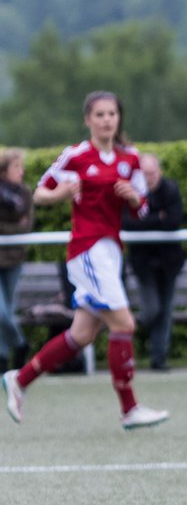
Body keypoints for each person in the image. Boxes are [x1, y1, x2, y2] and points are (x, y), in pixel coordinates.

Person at [2, 91, 169, 430]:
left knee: (81, 334)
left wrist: (134, 199)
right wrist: (62, 193)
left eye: (112, 114)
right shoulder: (76, 156)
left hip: (110, 252)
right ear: (88, 120)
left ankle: (20, 379)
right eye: (100, 115)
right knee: (124, 324)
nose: (107, 120)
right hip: (87, 250)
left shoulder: (131, 159)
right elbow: (40, 192)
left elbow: (144, 208)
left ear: (118, 118)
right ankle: (129, 408)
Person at [122, 153, 185, 371]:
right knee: (151, 310)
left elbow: (175, 220)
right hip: (143, 262)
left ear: (159, 172)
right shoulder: (133, 191)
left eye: (152, 173)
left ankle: (158, 358)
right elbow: (128, 223)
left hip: (169, 261)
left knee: (165, 310)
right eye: (144, 173)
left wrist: (148, 220)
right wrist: (158, 218)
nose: (148, 177)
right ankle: (129, 335)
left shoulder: (170, 189)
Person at [0, 149, 33, 371]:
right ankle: (20, 344)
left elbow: (26, 227)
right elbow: (16, 228)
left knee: (7, 311)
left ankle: (2, 358)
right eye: (16, 167)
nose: (21, 172)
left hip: (14, 258)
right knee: (1, 312)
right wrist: (14, 228)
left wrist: (7, 230)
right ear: (3, 172)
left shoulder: (25, 194)